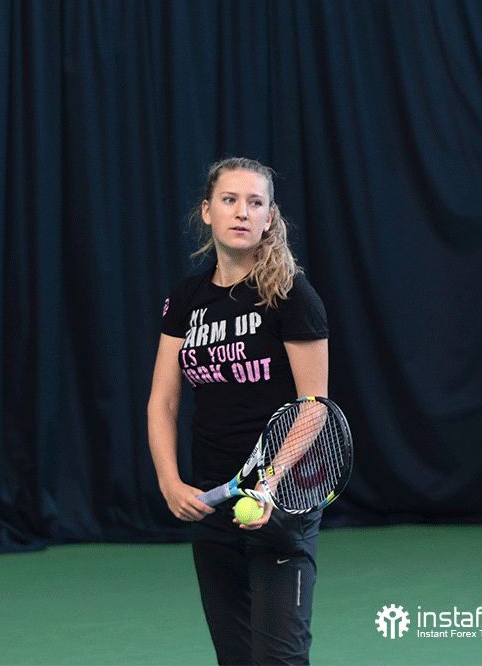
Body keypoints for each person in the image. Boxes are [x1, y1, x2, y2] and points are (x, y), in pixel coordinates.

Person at [147, 157, 329, 666]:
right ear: (207, 211)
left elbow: (313, 408)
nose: (242, 212)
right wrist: (170, 482)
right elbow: (163, 400)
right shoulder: (186, 299)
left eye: (255, 203)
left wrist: (268, 484)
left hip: (281, 501)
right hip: (212, 502)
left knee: (278, 660)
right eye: (229, 200)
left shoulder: (291, 295)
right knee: (235, 658)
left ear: (270, 218)